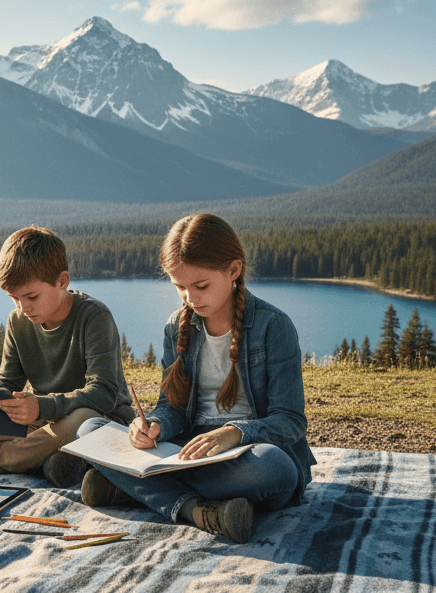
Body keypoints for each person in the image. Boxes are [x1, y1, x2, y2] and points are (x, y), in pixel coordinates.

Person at [75, 213, 316, 544]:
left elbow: (291, 421)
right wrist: (155, 426)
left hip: (246, 453)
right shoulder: (177, 327)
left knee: (275, 468)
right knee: (90, 430)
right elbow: (170, 408)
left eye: (200, 286)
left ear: (234, 270)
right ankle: (197, 509)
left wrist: (237, 432)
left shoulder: (273, 327)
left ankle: (135, 487)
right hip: (186, 450)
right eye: (180, 287)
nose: (190, 298)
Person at [0, 226, 134, 485]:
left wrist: (42, 406)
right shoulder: (18, 320)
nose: (23, 308)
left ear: (62, 281)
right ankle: (40, 459)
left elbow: (103, 393)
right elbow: (8, 384)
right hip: (42, 426)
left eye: (31, 296)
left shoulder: (94, 316)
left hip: (97, 423)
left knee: (82, 419)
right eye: (14, 298)